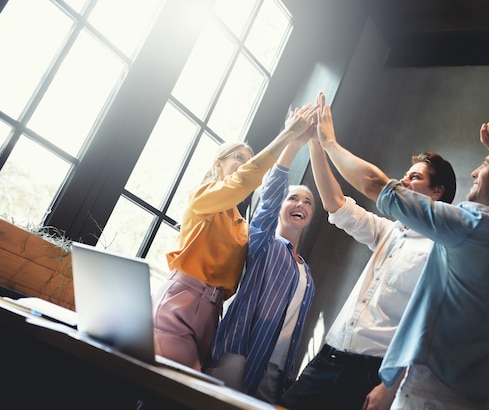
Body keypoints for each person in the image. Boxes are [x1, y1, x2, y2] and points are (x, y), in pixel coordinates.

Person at [313, 91, 489, 409]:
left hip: (430, 391)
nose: (475, 172)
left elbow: (376, 184)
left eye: (484, 165)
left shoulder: (469, 227)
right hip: (477, 395)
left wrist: (328, 142)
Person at [281, 92, 457, 410]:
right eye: (404, 175)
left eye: (414, 178)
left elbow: (431, 325)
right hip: (330, 353)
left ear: (437, 192)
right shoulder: (387, 230)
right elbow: (335, 203)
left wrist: (390, 386)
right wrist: (315, 144)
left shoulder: (444, 250)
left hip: (372, 373)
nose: (403, 181)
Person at [151, 104, 317, 372]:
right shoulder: (202, 197)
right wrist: (286, 136)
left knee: (180, 394)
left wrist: (296, 143)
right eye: (239, 157)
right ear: (219, 165)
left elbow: (265, 215)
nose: (245, 164)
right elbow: (241, 182)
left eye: (248, 159)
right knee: (175, 388)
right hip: (181, 301)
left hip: (214, 313)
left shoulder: (241, 225)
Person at [205, 128, 316, 404]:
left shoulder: (307, 273)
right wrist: (293, 144)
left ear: (311, 215)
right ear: (280, 207)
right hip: (239, 358)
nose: (300, 203)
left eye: (307, 201)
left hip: (275, 376)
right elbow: (268, 199)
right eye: (293, 198)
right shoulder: (263, 242)